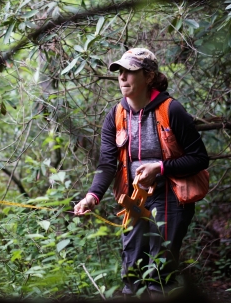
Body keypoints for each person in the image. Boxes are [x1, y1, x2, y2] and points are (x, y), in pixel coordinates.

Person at [73, 48, 209, 297]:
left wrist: (159, 167)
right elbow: (107, 164)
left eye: (130, 72)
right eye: (120, 71)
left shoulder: (172, 110)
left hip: (171, 195)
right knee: (132, 270)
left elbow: (200, 159)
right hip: (134, 197)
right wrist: (92, 196)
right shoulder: (115, 115)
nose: (123, 77)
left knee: (160, 271)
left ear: (148, 77)